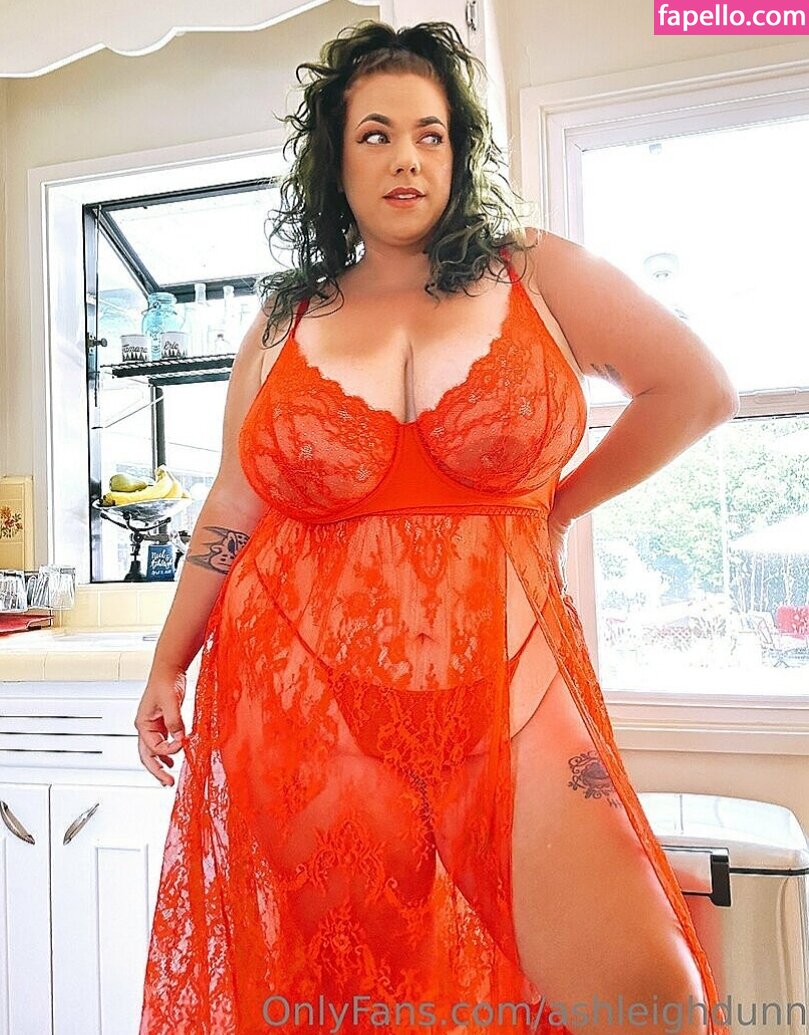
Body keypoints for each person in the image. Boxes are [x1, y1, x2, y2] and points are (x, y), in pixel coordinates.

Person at [135, 19, 738, 1035]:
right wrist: (167, 661)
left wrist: (554, 508)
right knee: (350, 1002)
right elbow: (233, 505)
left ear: (458, 154)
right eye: (374, 135)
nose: (406, 158)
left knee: (653, 1000)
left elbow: (694, 390)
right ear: (335, 162)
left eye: (430, 134)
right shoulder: (283, 319)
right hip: (306, 704)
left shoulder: (533, 273)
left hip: (508, 687)